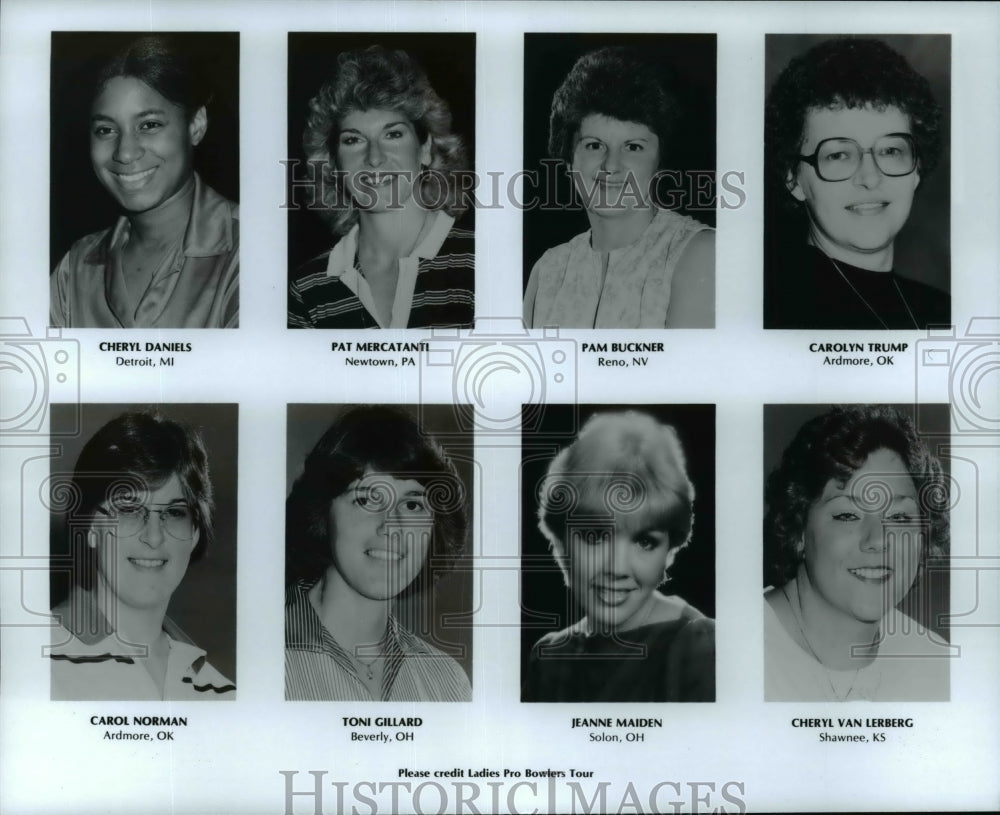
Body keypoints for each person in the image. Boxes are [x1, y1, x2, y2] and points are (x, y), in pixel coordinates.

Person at [522, 411, 715, 702]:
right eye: (594, 536)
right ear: (561, 542)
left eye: (645, 541)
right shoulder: (549, 655)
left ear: (670, 551)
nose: (617, 568)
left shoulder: (699, 647)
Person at [50, 35, 239, 329]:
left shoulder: (250, 249)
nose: (125, 153)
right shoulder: (75, 267)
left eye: (149, 125)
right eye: (105, 130)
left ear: (196, 125)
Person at [763, 405, 950, 701]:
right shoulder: (722, 653)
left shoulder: (939, 668)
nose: (878, 540)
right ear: (797, 529)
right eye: (848, 515)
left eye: (900, 518)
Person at [285, 406, 471, 701]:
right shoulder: (262, 658)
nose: (392, 526)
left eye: (412, 505)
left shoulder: (448, 684)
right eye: (367, 499)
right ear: (322, 512)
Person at [523, 46, 715, 329]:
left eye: (633, 147)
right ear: (567, 159)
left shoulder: (699, 253)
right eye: (594, 145)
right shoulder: (548, 271)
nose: (611, 165)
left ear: (659, 163)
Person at [49, 411, 235, 700]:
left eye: (174, 513)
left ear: (195, 532)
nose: (153, 536)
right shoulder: (29, 660)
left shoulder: (223, 694)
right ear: (90, 527)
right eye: (128, 509)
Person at [764, 38, 948, 329]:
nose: (870, 177)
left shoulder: (944, 312)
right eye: (839, 155)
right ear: (793, 178)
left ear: (917, 168)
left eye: (890, 151)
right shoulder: (773, 315)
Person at [288, 46, 474, 329]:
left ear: (425, 149)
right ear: (334, 164)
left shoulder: (481, 261)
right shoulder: (307, 288)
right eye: (353, 140)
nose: (374, 158)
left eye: (393, 134)